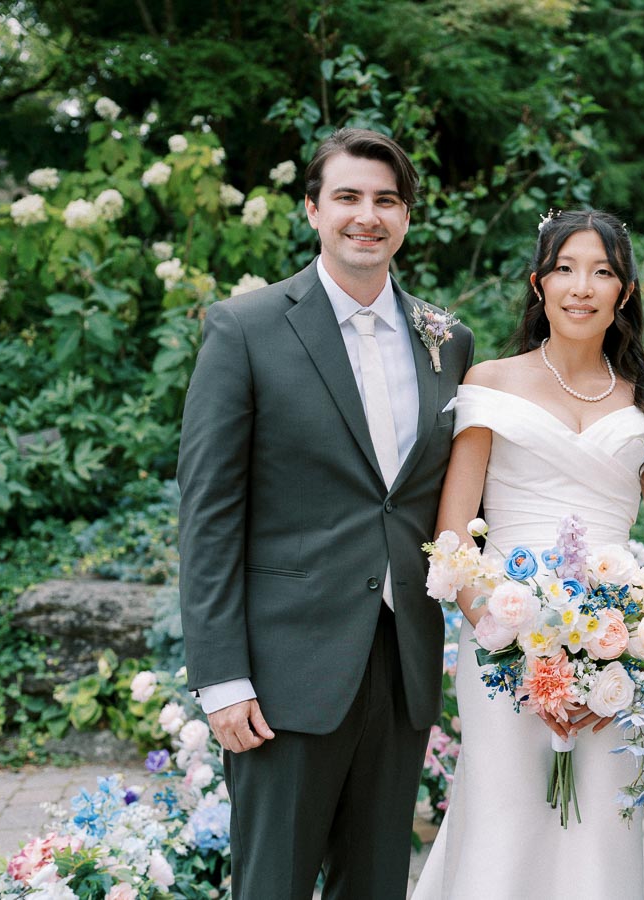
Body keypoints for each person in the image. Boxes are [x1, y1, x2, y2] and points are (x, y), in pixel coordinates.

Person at [177, 127, 475, 899]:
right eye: (347, 197)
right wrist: (221, 678)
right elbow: (209, 515)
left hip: (403, 660)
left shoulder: (447, 340)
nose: (366, 215)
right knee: (271, 883)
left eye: (386, 200)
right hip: (283, 670)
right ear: (313, 209)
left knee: (376, 883)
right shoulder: (244, 330)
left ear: (407, 217)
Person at [412, 209, 644, 899]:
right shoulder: (492, 382)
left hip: (611, 659)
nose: (581, 286)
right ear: (539, 284)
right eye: (565, 268)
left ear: (624, 292)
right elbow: (452, 540)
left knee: (598, 828)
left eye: (602, 271)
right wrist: (518, 648)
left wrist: (630, 647)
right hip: (501, 647)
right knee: (505, 820)